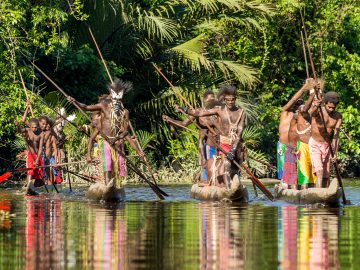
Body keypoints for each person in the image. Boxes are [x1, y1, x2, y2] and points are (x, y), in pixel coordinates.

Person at [68, 78, 141, 186]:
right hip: (105, 142)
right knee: (108, 165)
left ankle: (115, 188)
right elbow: (86, 107)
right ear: (111, 95)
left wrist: (118, 139)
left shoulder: (125, 112)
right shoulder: (103, 106)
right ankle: (108, 188)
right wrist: (75, 101)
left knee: (117, 167)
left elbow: (125, 132)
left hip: (117, 143)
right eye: (113, 95)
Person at [181, 85, 246, 189]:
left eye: (232, 100)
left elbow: (240, 132)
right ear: (224, 100)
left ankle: (235, 182)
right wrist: (186, 110)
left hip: (236, 145)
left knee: (236, 165)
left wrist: (233, 150)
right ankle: (228, 190)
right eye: (228, 100)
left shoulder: (241, 113)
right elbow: (200, 112)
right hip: (224, 145)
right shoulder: (219, 110)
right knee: (225, 165)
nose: (230, 102)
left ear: (235, 99)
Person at [163, 90, 220, 184]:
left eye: (213, 100)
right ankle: (205, 183)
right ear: (204, 101)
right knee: (206, 165)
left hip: (220, 144)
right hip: (206, 145)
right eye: (209, 100)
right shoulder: (198, 112)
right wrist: (170, 120)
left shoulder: (218, 111)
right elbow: (183, 124)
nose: (211, 102)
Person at [279, 79, 316, 189]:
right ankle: (285, 189)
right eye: (297, 103)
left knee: (300, 173)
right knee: (286, 177)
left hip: (300, 148)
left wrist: (313, 90)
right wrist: (305, 87)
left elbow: (312, 105)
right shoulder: (285, 113)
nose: (298, 104)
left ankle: (304, 189)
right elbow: (293, 99)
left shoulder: (304, 115)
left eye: (301, 103)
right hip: (285, 147)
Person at [309, 91, 342, 188]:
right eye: (329, 107)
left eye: (333, 108)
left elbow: (336, 135)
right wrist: (315, 105)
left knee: (326, 176)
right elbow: (311, 113)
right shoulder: (318, 111)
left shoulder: (338, 116)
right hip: (315, 143)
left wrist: (334, 152)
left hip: (327, 146)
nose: (331, 109)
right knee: (319, 171)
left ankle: (325, 195)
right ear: (325, 103)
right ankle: (318, 195)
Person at [296, 81, 323, 189]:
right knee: (305, 177)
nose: (317, 100)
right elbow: (306, 111)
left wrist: (318, 91)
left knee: (318, 174)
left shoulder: (323, 109)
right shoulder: (304, 108)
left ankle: (319, 192)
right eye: (315, 98)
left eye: (318, 98)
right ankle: (303, 195)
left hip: (317, 146)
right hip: (304, 146)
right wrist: (313, 92)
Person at [16, 118, 45, 192]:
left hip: (38, 155)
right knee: (30, 171)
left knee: (39, 174)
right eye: (32, 127)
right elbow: (20, 131)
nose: (34, 129)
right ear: (30, 126)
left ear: (38, 126)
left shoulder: (41, 134)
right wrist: (18, 125)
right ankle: (28, 186)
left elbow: (41, 148)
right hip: (30, 155)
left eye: (35, 127)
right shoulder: (28, 130)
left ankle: (37, 188)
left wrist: (37, 160)